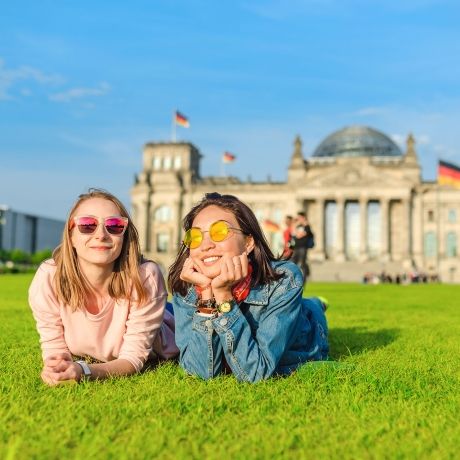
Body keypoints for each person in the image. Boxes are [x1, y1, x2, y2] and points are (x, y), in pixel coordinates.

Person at [168, 192, 329, 382]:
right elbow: (199, 373)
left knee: (310, 308)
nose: (205, 245)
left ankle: (316, 304)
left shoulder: (283, 279)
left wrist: (223, 296)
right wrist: (206, 296)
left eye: (219, 232)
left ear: (248, 243)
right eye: (194, 236)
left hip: (307, 328)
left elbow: (254, 373)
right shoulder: (187, 287)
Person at [29, 189, 178, 386]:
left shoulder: (145, 277)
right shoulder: (49, 277)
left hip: (164, 319)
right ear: (71, 235)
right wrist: (58, 368)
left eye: (114, 226)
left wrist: (84, 370)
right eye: (87, 225)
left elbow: (133, 359)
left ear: (124, 235)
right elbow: (54, 349)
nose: (101, 235)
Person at [292, 212, 314, 283]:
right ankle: (294, 280)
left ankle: (303, 281)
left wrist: (298, 234)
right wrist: (296, 224)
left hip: (303, 247)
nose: (298, 219)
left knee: (302, 264)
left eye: (299, 218)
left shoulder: (307, 226)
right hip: (296, 247)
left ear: (303, 217)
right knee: (293, 263)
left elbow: (300, 235)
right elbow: (294, 233)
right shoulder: (298, 226)